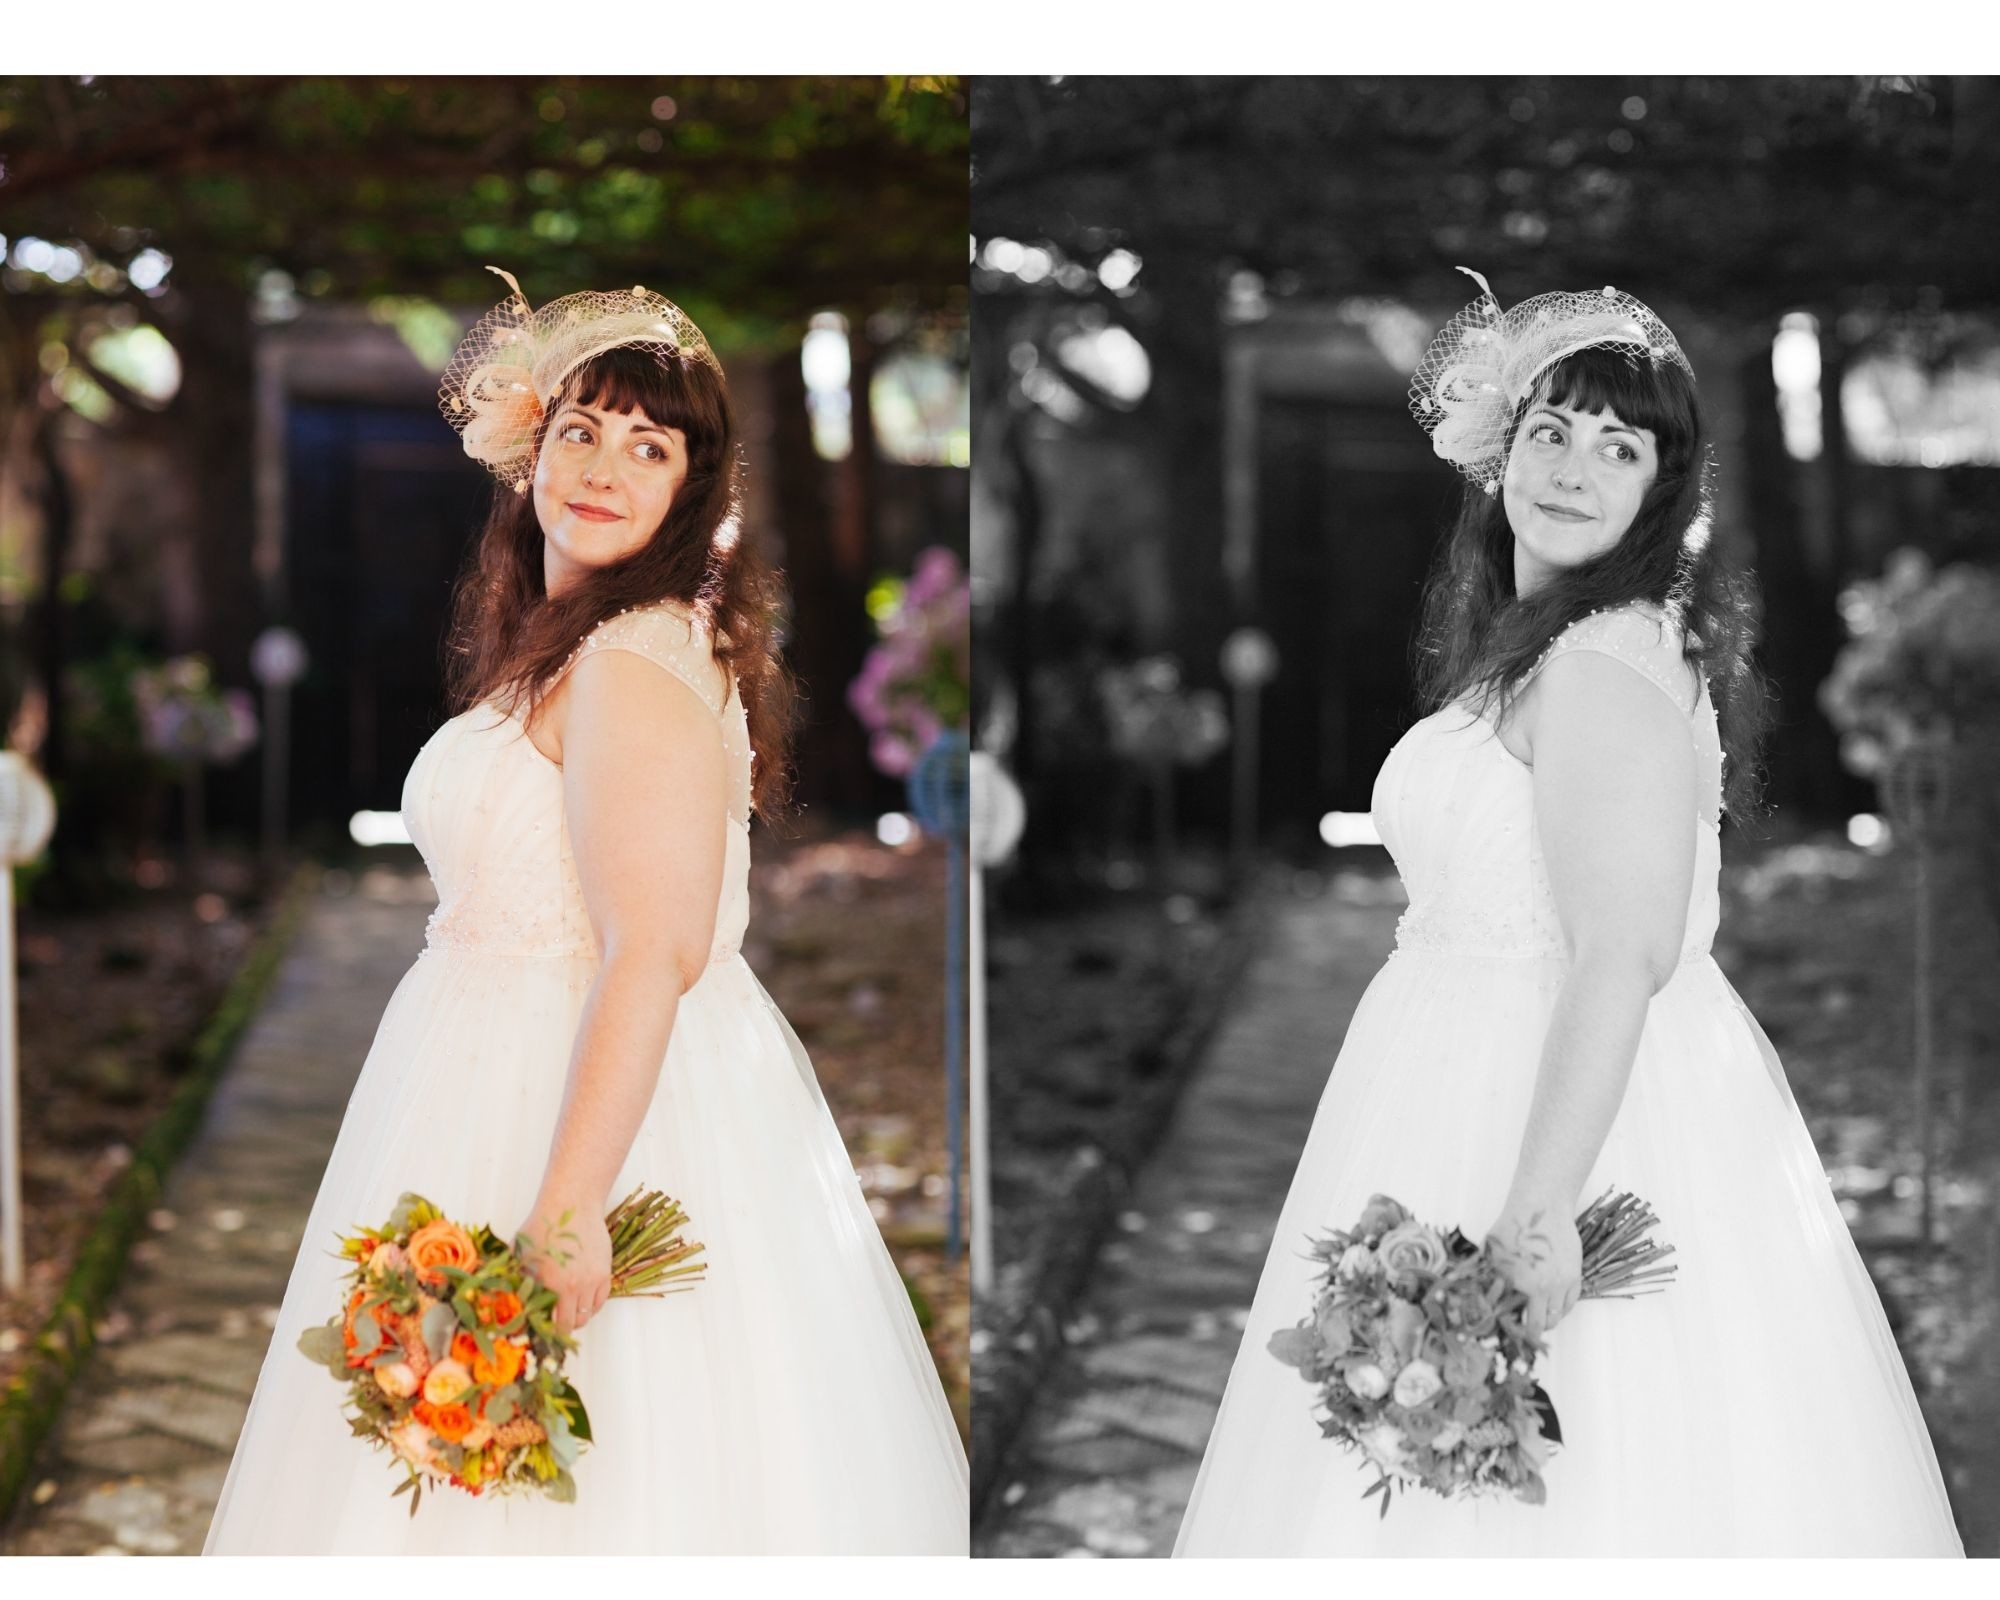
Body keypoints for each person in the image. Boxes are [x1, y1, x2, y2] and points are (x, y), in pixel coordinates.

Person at [1174, 270, 1962, 1556]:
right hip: (1455, 1073)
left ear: (1662, 488)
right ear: (1498, 455)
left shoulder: (1605, 659)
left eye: (1619, 447)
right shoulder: (1544, 643)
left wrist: (1535, 1218)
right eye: (1550, 433)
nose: (1574, 470)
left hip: (1559, 1105)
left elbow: (1620, 949)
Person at [204, 270, 968, 1555]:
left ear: (689, 488)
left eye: (648, 444)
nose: (605, 466)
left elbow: (652, 948)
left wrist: (565, 1214)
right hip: (482, 1074)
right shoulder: (573, 640)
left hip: (589, 1108)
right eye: (582, 430)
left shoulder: (629, 659)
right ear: (531, 453)